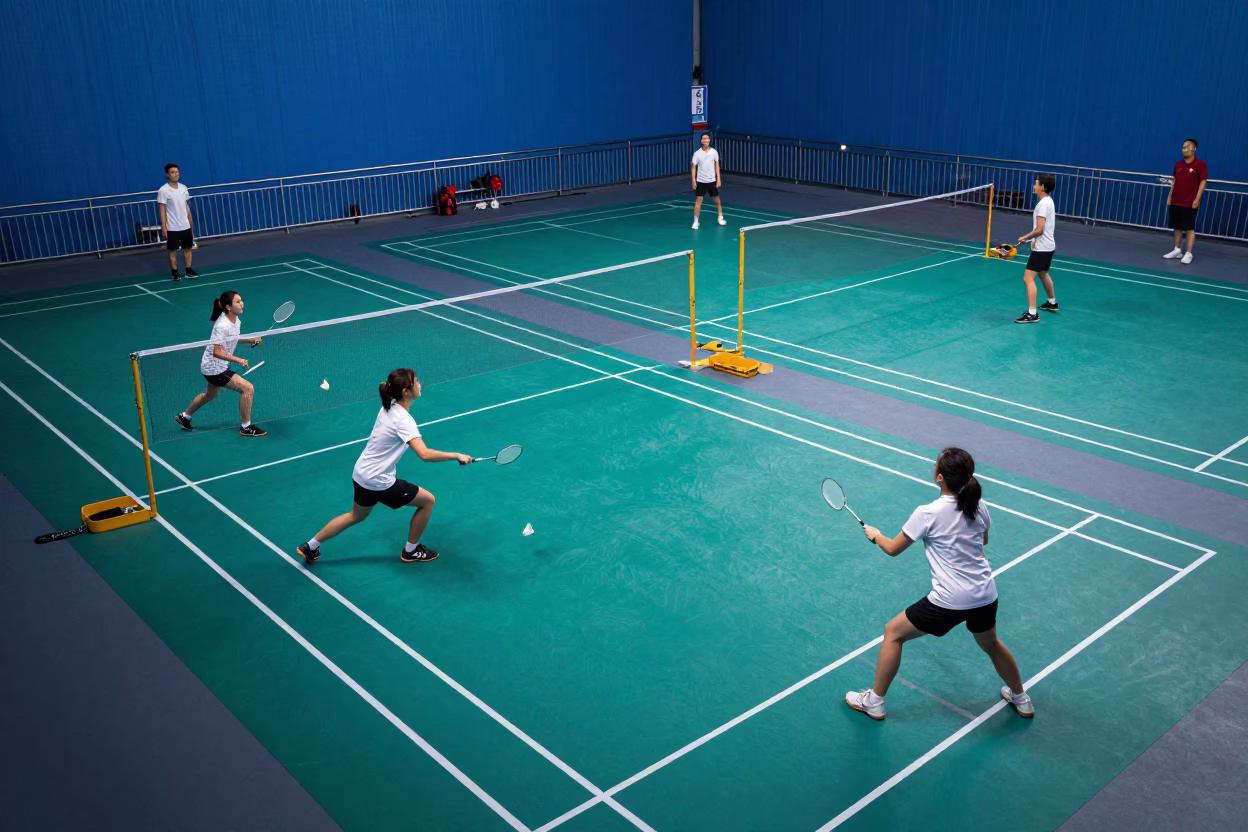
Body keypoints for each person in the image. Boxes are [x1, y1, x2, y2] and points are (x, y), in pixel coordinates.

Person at [845, 447, 1034, 721]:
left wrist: (875, 535)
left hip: (950, 600)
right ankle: (1021, 698)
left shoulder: (927, 513)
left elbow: (893, 549)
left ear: (940, 477)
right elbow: (983, 540)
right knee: (991, 643)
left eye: (936, 464)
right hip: (985, 594)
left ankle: (874, 702)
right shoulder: (979, 505)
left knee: (893, 633)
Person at [296, 368, 473, 565]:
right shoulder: (404, 421)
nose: (420, 384)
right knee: (428, 501)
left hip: (362, 473)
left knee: (356, 515)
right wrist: (456, 455)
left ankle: (311, 545)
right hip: (379, 481)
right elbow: (424, 454)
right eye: (416, 382)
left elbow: (385, 388)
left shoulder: (388, 405)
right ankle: (411, 550)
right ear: (406, 391)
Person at [175, 291, 266, 436]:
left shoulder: (236, 320)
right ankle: (246, 427)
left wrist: (251, 339)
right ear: (228, 307)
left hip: (215, 366)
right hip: (214, 369)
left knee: (209, 394)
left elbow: (232, 338)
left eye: (241, 300)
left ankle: (185, 416)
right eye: (238, 302)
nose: (242, 304)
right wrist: (238, 360)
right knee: (248, 389)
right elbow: (216, 352)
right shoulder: (222, 325)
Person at [1014, 174, 1058, 324]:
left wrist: (1025, 237)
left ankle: (1032, 314)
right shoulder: (1048, 201)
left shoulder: (1042, 205)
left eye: (1036, 183)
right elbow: (1044, 228)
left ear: (1042, 187)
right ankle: (1052, 303)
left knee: (1028, 278)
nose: (1034, 186)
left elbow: (1040, 229)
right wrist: (1035, 239)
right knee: (1043, 274)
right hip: (1049, 246)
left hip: (1042, 248)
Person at [1163, 139, 1208, 265]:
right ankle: (1177, 250)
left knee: (1189, 228)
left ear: (1194, 149)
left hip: (1189, 202)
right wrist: (1170, 196)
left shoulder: (1200, 164)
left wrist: (1197, 199)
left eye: (1186, 147)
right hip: (1176, 201)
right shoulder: (1178, 164)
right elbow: (1174, 181)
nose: (1184, 150)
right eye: (1183, 147)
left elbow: (1202, 182)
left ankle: (1188, 253)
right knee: (1176, 227)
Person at [158, 163, 197, 282]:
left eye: (177, 172)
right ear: (167, 174)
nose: (175, 174)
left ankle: (189, 270)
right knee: (172, 250)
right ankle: (174, 272)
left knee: (187, 248)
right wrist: (163, 226)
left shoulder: (184, 188)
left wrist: (190, 221)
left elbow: (186, 205)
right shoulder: (163, 190)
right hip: (172, 226)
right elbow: (162, 209)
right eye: (172, 172)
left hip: (185, 224)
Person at [690, 133, 726, 230]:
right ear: (701, 141)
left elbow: (717, 166)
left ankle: (720, 217)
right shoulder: (697, 154)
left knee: (717, 201)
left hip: (712, 181)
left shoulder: (714, 152)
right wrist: (693, 180)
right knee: (698, 202)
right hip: (701, 181)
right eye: (703, 138)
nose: (705, 140)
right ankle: (696, 221)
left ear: (709, 140)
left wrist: (718, 179)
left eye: (707, 138)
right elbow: (693, 168)